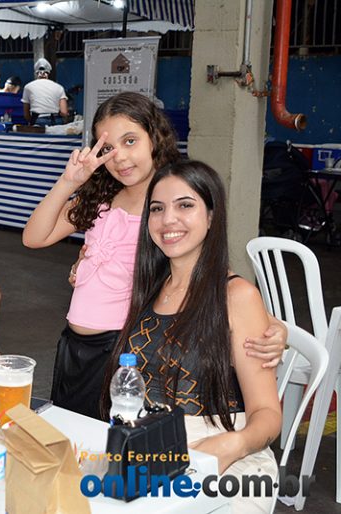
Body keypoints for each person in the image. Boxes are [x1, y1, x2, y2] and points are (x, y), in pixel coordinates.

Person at [23, 92, 286, 419]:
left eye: (130, 141)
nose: (120, 157)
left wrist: (274, 325)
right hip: (73, 346)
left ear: (155, 137)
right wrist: (68, 182)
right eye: (107, 148)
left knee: (108, 441)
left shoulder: (167, 207)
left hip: (122, 350)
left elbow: (210, 276)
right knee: (69, 434)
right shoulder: (101, 197)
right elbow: (34, 237)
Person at [100, 160, 280, 513]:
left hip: (226, 451)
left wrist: (234, 445)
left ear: (211, 216)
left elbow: (268, 414)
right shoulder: (150, 288)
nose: (168, 220)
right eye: (157, 209)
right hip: (151, 447)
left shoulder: (237, 297)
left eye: (185, 205)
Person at [21, 58, 67, 126]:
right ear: (48, 72)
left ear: (36, 72)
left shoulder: (28, 87)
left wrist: (32, 122)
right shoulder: (59, 87)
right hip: (56, 121)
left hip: (38, 120)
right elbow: (64, 112)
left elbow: (26, 114)